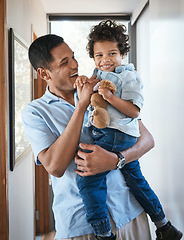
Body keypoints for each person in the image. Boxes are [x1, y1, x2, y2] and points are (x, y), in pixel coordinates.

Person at [22, 33, 154, 240]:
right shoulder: (35, 112)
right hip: (80, 225)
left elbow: (147, 140)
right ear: (44, 73)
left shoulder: (102, 86)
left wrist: (116, 160)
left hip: (129, 213)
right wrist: (82, 105)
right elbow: (55, 167)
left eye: (73, 57)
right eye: (65, 62)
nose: (75, 65)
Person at [74, 20, 183, 240]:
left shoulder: (129, 76)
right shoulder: (100, 73)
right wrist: (85, 83)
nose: (105, 60)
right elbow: (90, 98)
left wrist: (111, 97)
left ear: (123, 53)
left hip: (116, 134)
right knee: (136, 181)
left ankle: (104, 234)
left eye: (112, 54)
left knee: (88, 178)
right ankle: (165, 226)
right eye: (99, 56)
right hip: (114, 134)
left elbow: (134, 111)